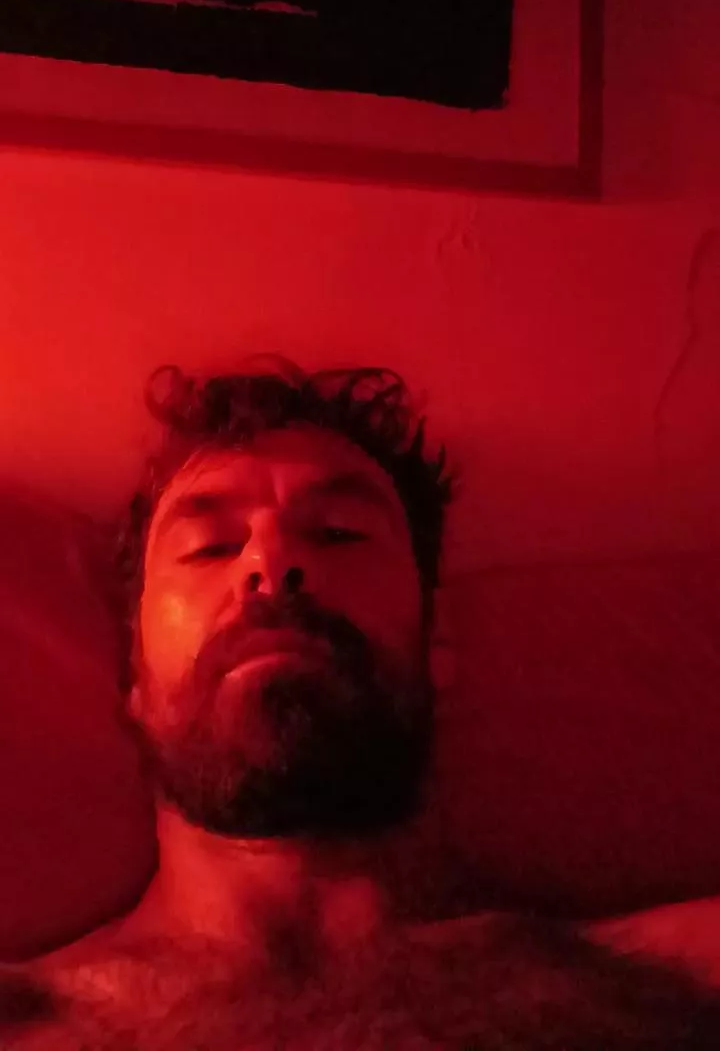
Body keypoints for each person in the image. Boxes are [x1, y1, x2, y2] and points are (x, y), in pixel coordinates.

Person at [3, 359, 720, 1049]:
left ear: (436, 635)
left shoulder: (674, 982)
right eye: (210, 546)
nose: (270, 560)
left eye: (339, 533)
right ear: (133, 667)